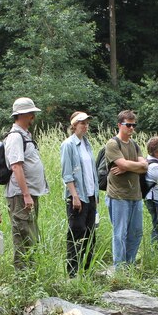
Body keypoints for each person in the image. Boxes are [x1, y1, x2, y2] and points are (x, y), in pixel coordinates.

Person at [4, 97, 47, 267]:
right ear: (22, 115)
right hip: (20, 195)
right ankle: (23, 274)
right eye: (30, 113)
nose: (33, 117)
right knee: (23, 234)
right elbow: (16, 167)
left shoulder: (25, 135)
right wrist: (26, 194)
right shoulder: (15, 137)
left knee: (31, 233)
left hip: (28, 194)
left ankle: (30, 271)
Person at [105, 110, 148, 268]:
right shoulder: (112, 144)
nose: (131, 128)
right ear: (119, 125)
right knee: (120, 233)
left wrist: (128, 167)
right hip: (118, 196)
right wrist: (130, 165)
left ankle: (129, 265)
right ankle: (119, 268)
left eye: (133, 125)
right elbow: (123, 164)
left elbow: (145, 166)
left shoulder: (135, 145)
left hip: (136, 196)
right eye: (128, 125)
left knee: (136, 232)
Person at [60, 111, 97, 275]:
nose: (85, 126)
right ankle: (72, 272)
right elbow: (67, 173)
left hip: (90, 195)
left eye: (87, 123)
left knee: (90, 233)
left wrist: (95, 195)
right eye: (82, 123)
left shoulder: (87, 144)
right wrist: (74, 195)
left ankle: (87, 269)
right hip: (77, 196)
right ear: (74, 125)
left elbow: (91, 172)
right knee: (76, 232)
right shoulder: (68, 145)